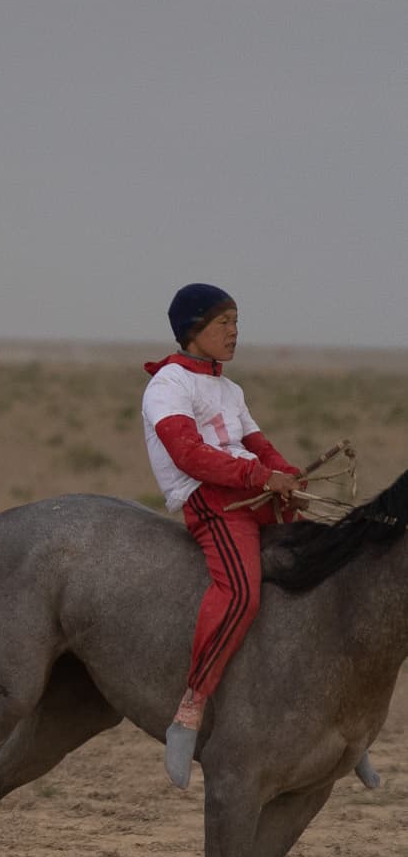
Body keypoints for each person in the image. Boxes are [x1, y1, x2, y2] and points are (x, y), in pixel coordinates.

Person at [138, 284, 372, 790]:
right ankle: (190, 710)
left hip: (252, 492)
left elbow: (258, 445)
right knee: (240, 592)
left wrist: (287, 474)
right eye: (223, 323)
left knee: (334, 565)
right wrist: (260, 479)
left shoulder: (229, 389)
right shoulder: (169, 386)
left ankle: (347, 723)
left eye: (236, 322)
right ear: (192, 330)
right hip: (211, 501)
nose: (234, 332)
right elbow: (189, 456)